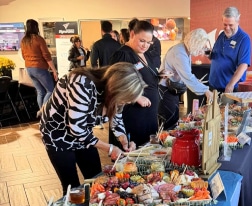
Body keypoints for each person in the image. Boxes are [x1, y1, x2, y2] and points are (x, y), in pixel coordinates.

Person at [39, 62, 145, 195]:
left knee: (96, 178)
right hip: (57, 135)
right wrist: (110, 148)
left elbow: (116, 120)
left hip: (83, 134)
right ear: (116, 88)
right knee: (72, 186)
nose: (127, 103)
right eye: (125, 100)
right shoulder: (82, 83)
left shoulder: (113, 95)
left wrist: (124, 140)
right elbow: (77, 128)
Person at [109, 18, 159, 147]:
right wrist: (137, 97)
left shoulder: (145, 54)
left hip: (148, 114)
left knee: (147, 151)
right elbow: (115, 84)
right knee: (132, 153)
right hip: (133, 114)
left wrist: (160, 76)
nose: (145, 45)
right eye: (142, 41)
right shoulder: (123, 55)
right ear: (132, 34)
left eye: (149, 42)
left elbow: (146, 77)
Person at [158, 28, 213, 129]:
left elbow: (188, 75)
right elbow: (188, 77)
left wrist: (197, 82)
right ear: (195, 43)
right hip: (165, 89)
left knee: (174, 120)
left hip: (172, 89)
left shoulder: (185, 49)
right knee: (168, 123)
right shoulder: (179, 53)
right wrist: (206, 90)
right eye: (202, 47)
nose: (202, 51)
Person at [209, 6, 251, 98]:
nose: (227, 28)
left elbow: (243, 65)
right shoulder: (221, 35)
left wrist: (231, 84)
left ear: (237, 22)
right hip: (213, 85)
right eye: (225, 24)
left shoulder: (244, 39)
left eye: (230, 25)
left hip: (229, 88)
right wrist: (207, 52)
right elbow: (215, 56)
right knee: (211, 112)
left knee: (227, 112)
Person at [21, 19, 58, 114]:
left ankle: (42, 114)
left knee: (40, 91)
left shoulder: (24, 40)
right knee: (50, 90)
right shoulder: (38, 39)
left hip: (29, 68)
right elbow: (46, 55)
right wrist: (54, 70)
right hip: (39, 68)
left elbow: (23, 56)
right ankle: (43, 112)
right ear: (36, 27)